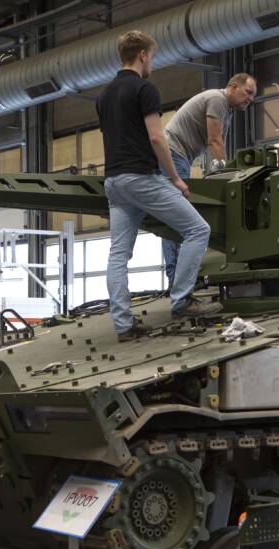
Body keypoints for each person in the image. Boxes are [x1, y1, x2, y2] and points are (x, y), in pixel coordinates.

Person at [96, 30, 220, 342]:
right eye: (152, 56)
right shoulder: (144, 88)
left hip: (114, 181)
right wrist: (175, 178)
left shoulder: (104, 95)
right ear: (143, 55)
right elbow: (156, 137)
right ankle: (182, 301)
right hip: (141, 177)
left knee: (118, 254)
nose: (152, 62)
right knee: (197, 230)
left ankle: (124, 325)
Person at [161, 73, 257, 287]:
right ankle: (176, 280)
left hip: (180, 155)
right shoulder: (217, 99)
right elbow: (214, 141)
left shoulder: (226, 110)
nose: (251, 99)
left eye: (253, 95)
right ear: (233, 87)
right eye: (248, 92)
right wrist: (228, 175)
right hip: (174, 154)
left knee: (178, 216)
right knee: (176, 217)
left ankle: (177, 278)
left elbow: (217, 143)